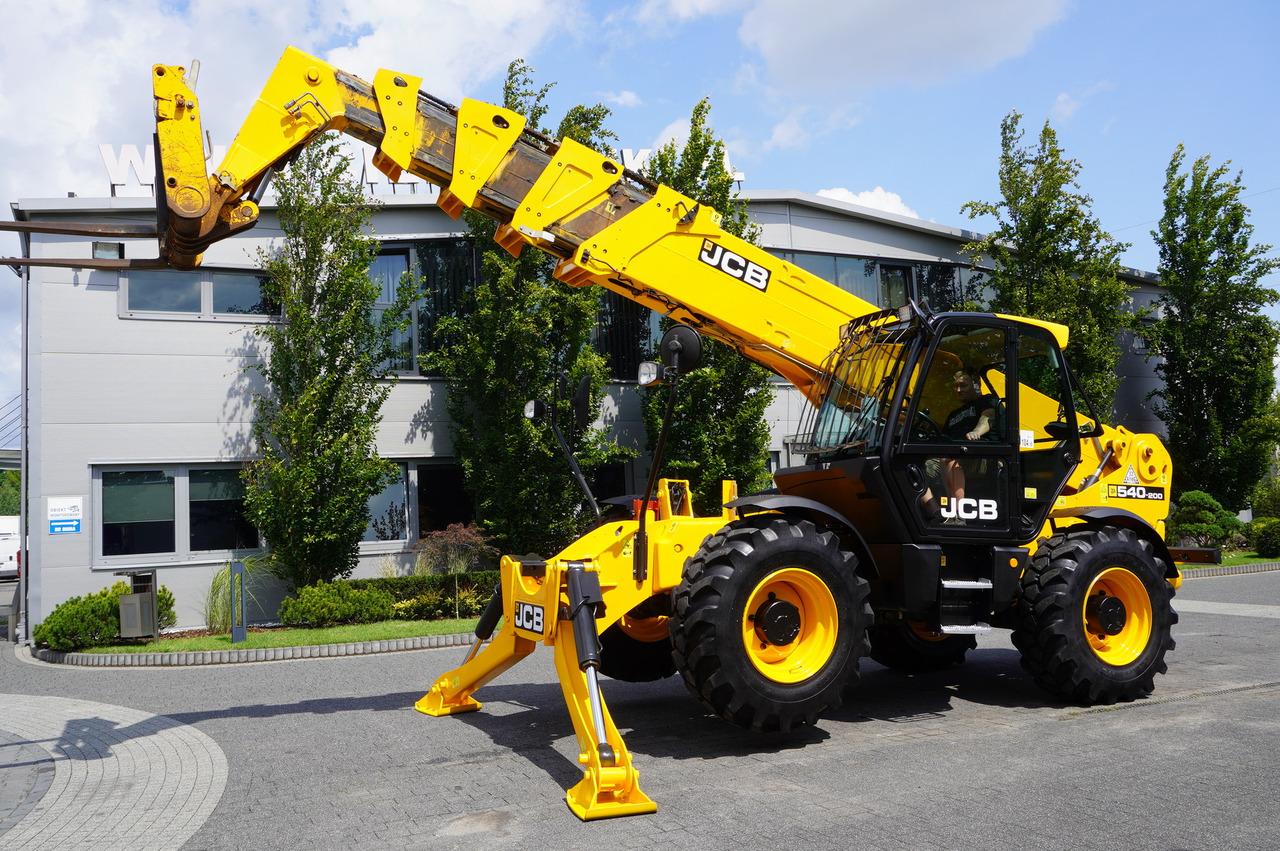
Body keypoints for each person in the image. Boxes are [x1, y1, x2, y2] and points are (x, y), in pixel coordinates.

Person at [924, 367, 998, 523]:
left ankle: (957, 513)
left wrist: (976, 431)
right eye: (956, 386)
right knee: (913, 468)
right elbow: (944, 438)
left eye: (963, 385)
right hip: (956, 454)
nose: (958, 390)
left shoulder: (986, 401)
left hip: (980, 455)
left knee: (949, 458)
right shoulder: (953, 415)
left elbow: (988, 418)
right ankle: (936, 512)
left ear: (977, 385)